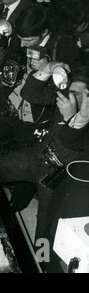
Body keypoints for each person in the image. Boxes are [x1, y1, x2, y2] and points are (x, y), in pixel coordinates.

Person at [0, 5, 84, 159]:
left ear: (44, 32)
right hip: (8, 110)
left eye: (28, 40)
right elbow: (7, 65)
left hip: (33, 123)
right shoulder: (20, 37)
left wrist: (44, 73)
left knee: (14, 164)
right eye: (20, 39)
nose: (22, 44)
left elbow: (65, 94)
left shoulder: (65, 48)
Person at [0, 65, 89, 212]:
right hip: (38, 155)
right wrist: (47, 69)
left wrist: (69, 118)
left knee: (46, 222)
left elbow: (69, 155)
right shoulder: (66, 99)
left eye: (76, 94)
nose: (70, 98)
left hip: (58, 175)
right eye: (69, 91)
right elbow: (29, 93)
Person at [37, 83, 89, 273]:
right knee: (49, 230)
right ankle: (41, 262)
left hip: (75, 189)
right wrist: (80, 118)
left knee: (70, 251)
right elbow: (71, 140)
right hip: (68, 182)